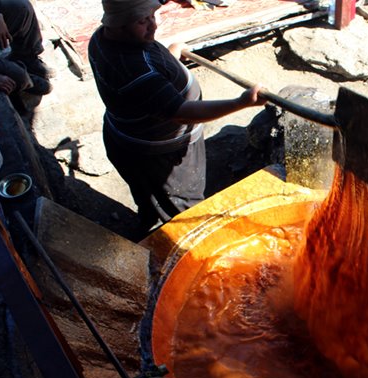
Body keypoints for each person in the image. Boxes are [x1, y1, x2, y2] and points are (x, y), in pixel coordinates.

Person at [87, 0, 267, 239]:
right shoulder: (135, 71)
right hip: (159, 155)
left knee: (147, 193)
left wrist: (170, 55)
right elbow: (181, 111)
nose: (154, 24)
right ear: (118, 24)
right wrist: (240, 103)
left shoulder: (103, 38)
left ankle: (149, 218)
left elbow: (150, 78)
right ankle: (189, 245)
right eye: (143, 21)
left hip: (127, 139)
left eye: (153, 15)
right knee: (185, 209)